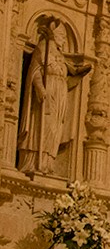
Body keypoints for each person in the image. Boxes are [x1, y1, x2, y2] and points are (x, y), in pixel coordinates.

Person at [18, 20, 68, 174]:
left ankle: (47, 163)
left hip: (59, 94)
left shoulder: (59, 54)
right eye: (61, 35)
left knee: (54, 129)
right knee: (42, 125)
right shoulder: (43, 48)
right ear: (54, 35)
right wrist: (40, 88)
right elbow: (35, 71)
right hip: (47, 92)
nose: (64, 39)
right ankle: (33, 162)